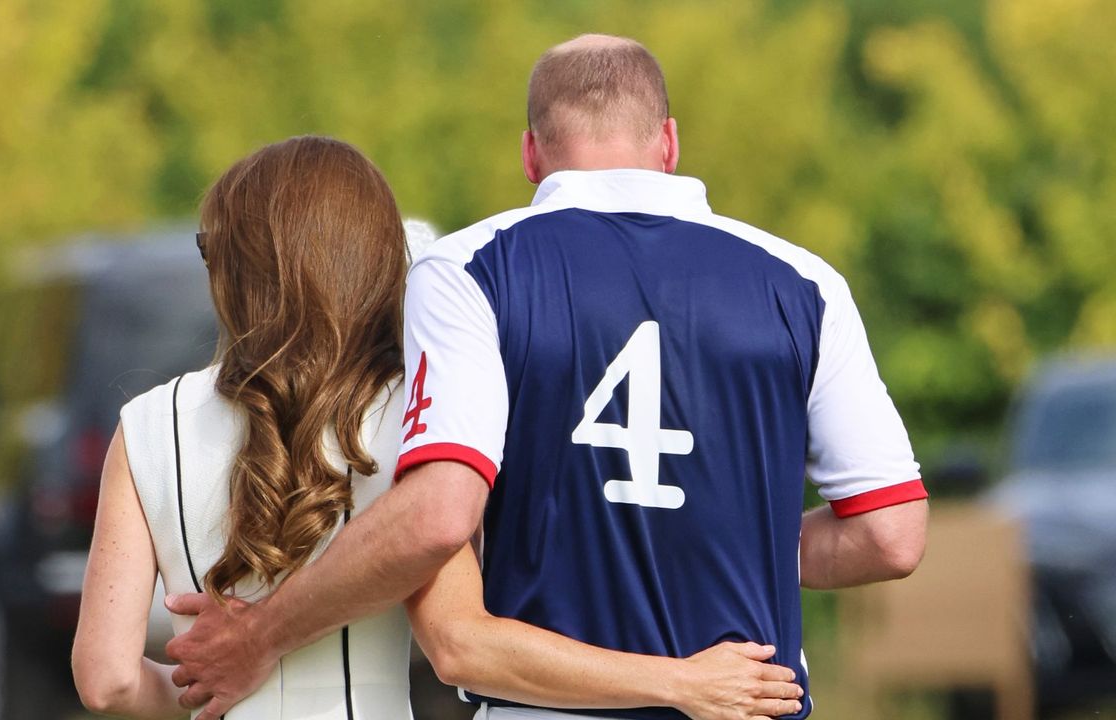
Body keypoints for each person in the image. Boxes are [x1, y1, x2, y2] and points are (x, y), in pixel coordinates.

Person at [166, 35, 929, 720]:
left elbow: (438, 517)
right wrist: (720, 537)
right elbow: (891, 535)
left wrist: (262, 633)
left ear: (531, 154)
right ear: (669, 143)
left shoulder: (470, 268)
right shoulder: (805, 282)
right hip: (752, 708)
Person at [71, 136, 415, 718]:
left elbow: (108, 680)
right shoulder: (419, 408)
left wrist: (212, 688)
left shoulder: (147, 425)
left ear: (235, 270)